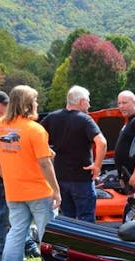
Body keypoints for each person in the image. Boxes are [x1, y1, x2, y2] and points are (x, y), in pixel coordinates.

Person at [0, 85, 61, 261]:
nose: (37, 104)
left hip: (14, 191)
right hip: (39, 191)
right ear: (28, 103)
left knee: (16, 233)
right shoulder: (35, 129)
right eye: (35, 100)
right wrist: (56, 190)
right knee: (49, 235)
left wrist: (8, 177)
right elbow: (44, 163)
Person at [0, 90, 40, 261]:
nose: (8, 107)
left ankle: (27, 246)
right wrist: (8, 177)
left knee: (19, 217)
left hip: (6, 178)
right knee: (2, 217)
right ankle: (0, 252)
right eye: (5, 104)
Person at [41, 85, 106, 222]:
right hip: (82, 178)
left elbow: (37, 138)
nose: (89, 104)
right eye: (88, 101)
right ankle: (86, 243)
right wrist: (97, 166)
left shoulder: (52, 118)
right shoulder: (85, 119)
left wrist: (48, 151)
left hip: (60, 177)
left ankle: (68, 243)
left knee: (66, 218)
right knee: (86, 219)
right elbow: (102, 142)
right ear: (81, 101)